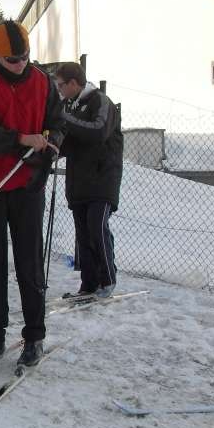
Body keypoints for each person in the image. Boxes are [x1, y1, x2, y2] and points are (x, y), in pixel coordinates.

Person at [0, 20, 64, 368]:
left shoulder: (43, 82)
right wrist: (20, 139)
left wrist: (52, 144)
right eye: (12, 60)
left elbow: (57, 123)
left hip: (28, 183)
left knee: (30, 262)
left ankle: (34, 336)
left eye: (24, 57)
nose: (20, 64)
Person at [54, 62, 123, 299]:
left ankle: (107, 279)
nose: (60, 90)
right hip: (79, 181)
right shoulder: (70, 105)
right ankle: (88, 284)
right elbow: (68, 140)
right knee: (83, 233)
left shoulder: (100, 101)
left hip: (102, 178)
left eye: (61, 85)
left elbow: (97, 130)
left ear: (74, 83)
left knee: (96, 226)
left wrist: (64, 118)